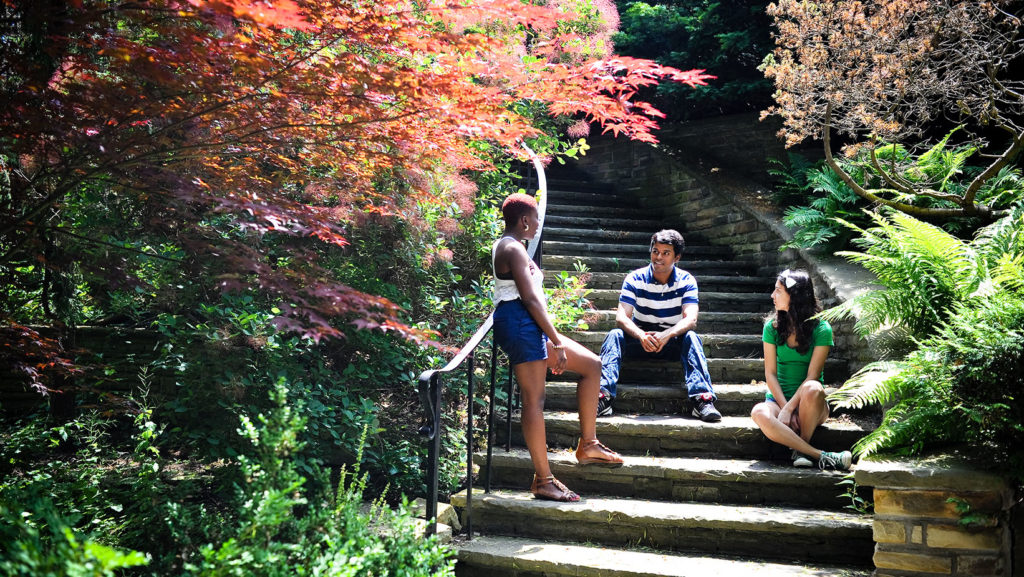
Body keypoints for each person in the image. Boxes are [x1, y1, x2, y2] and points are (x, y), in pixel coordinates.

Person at [491, 192, 623, 502]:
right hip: (520, 323)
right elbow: (530, 298)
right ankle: (543, 480)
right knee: (534, 399)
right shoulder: (512, 248)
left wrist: (550, 336)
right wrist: (557, 340)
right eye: (536, 219)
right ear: (524, 220)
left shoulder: (513, 247)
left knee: (592, 365)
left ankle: (588, 444)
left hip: (527, 324)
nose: (538, 225)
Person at [597, 229, 721, 422]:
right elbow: (622, 317)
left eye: (666, 253)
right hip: (639, 341)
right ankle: (602, 396)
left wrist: (667, 335)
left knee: (692, 337)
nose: (658, 257)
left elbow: (691, 319)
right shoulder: (635, 278)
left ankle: (702, 400)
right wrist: (641, 335)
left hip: (671, 342)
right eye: (655, 251)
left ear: (677, 257)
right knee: (615, 334)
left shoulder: (686, 281)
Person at [749, 268, 853, 470]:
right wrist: (784, 406)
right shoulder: (771, 327)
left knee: (813, 387)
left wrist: (791, 408)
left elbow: (812, 376)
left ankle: (800, 447)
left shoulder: (821, 329)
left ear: (794, 297)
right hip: (778, 400)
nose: (772, 295)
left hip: (811, 403)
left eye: (778, 291)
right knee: (759, 411)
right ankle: (818, 454)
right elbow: (769, 374)